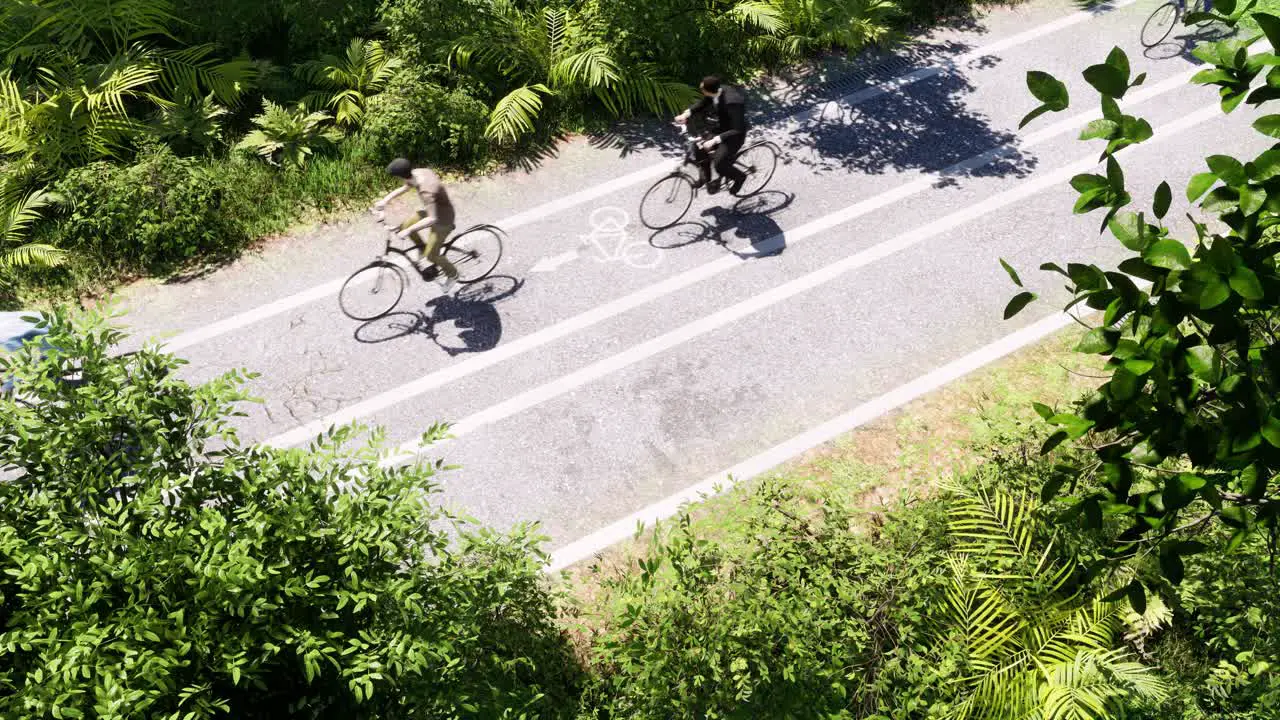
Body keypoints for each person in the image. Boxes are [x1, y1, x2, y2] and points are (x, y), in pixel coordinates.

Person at [373, 158, 459, 292]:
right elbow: (406, 187)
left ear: (402, 175)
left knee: (432, 256)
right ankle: (422, 248)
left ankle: (453, 274)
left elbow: (432, 219)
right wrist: (385, 201)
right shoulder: (417, 173)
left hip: (443, 220)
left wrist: (408, 231)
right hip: (435, 211)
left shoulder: (426, 191)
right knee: (405, 225)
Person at [675, 76, 749, 195]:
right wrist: (686, 114)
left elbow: (737, 128)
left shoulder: (733, 102)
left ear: (709, 90)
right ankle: (705, 178)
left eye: (702, 89)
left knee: (720, 164)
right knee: (698, 148)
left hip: (734, 135)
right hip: (722, 128)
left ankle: (740, 178)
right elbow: (704, 102)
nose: (701, 90)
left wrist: (714, 141)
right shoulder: (716, 92)